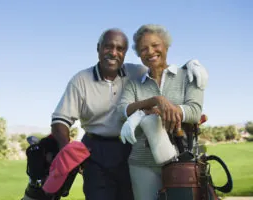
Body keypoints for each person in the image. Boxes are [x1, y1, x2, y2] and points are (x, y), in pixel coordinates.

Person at [50, 28, 207, 200]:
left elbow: (161, 66)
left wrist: (191, 63)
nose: (113, 53)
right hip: (96, 150)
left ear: (125, 53)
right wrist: (68, 154)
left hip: (129, 147)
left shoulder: (136, 72)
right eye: (108, 47)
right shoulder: (81, 80)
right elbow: (60, 121)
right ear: (98, 48)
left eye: (120, 49)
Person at [117, 24, 205, 200]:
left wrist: (162, 111)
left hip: (182, 162)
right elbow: (122, 110)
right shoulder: (134, 84)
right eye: (143, 48)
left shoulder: (188, 75)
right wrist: (156, 101)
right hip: (142, 165)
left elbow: (194, 110)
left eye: (155, 45)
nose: (150, 51)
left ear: (166, 45)